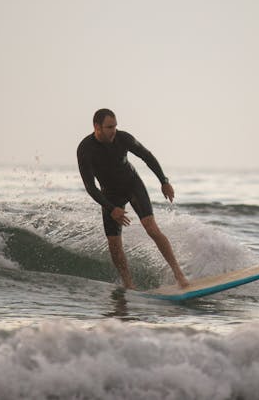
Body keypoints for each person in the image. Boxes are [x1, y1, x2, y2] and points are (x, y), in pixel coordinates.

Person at [77, 108, 189, 290]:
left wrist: (164, 181)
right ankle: (129, 284)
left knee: (151, 228)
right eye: (109, 127)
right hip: (109, 196)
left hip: (132, 185)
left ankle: (179, 274)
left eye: (115, 126)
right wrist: (111, 208)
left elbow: (147, 156)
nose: (113, 130)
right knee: (114, 244)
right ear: (96, 127)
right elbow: (90, 187)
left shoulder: (123, 138)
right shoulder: (85, 150)